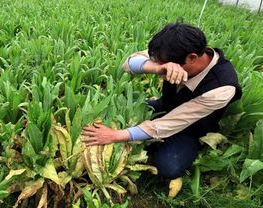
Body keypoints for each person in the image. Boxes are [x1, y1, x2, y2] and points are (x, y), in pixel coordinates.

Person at [81, 22, 242, 186]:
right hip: (164, 107)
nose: (162, 65)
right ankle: (146, 140)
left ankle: (161, 146)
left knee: (168, 165)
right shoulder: (175, 50)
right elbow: (128, 63)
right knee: (116, 107)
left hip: (191, 128)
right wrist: (155, 67)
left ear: (192, 58)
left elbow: (172, 122)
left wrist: (115, 136)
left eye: (164, 63)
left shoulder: (222, 87)